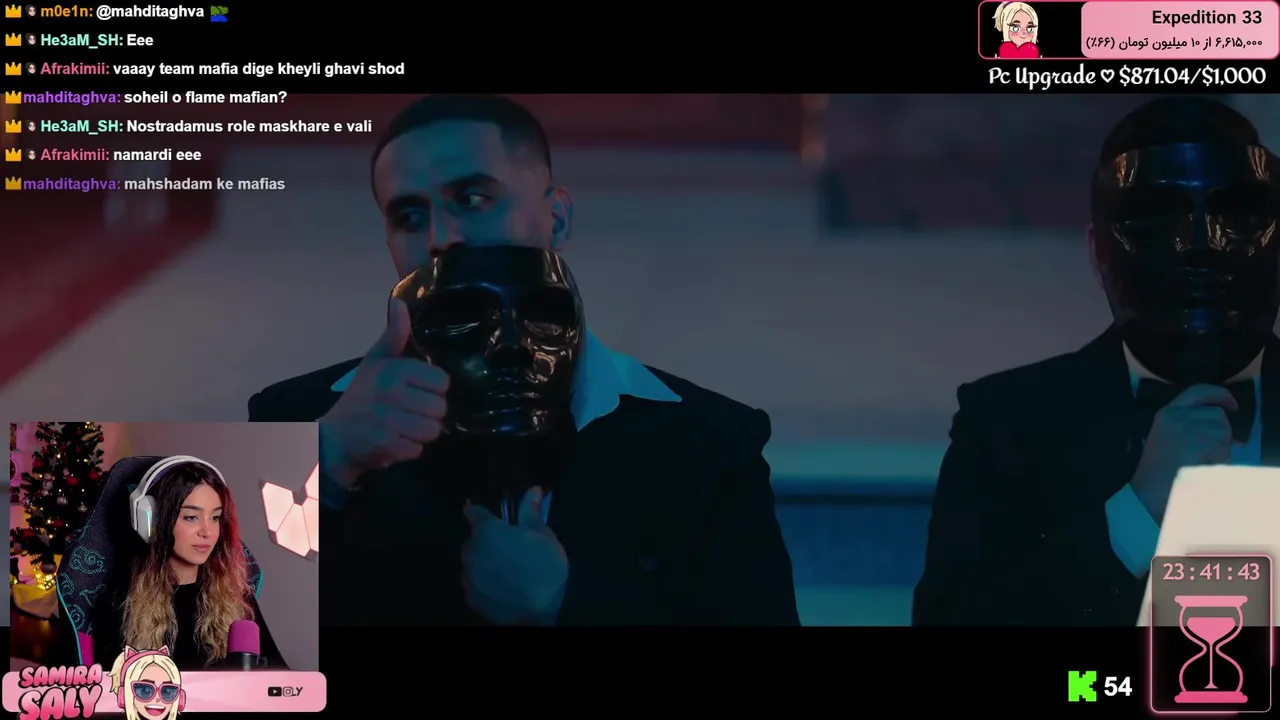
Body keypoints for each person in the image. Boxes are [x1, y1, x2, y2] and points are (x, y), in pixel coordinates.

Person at [247, 94, 799, 626]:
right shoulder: (293, 419)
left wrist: (569, 603)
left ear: (556, 217)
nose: (442, 238)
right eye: (410, 217)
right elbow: (219, 650)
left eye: (472, 199)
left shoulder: (710, 441)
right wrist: (327, 463)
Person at [914, 97, 1280, 626]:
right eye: (1155, 219)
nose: (1202, 248)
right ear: (1097, 252)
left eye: (1240, 216)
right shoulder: (1005, 425)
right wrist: (1134, 514)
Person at [95, 460, 287, 667]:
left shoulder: (237, 597)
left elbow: (278, 673)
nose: (207, 531)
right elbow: (109, 683)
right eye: (191, 517)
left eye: (215, 517)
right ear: (153, 521)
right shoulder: (122, 602)